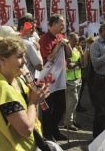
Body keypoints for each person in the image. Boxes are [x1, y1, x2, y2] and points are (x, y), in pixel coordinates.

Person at [0, 37, 50, 151]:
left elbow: (31, 117)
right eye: (19, 57)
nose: (25, 61)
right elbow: (26, 130)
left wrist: (34, 96)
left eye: (24, 56)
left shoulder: (16, 80)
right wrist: (33, 102)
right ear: (2, 60)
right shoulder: (2, 88)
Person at [39, 13, 72, 141]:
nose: (63, 26)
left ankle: (54, 129)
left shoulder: (61, 36)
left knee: (61, 106)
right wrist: (58, 45)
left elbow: (69, 54)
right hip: (48, 79)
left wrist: (67, 43)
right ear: (53, 24)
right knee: (48, 108)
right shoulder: (45, 39)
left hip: (60, 78)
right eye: (61, 24)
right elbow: (50, 58)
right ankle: (47, 134)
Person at [89, 21, 105, 138]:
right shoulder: (96, 44)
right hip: (100, 80)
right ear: (103, 31)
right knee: (101, 111)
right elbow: (95, 63)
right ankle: (97, 137)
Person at [64, 32, 84, 131]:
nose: (77, 42)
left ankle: (72, 119)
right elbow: (69, 65)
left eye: (77, 40)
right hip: (69, 79)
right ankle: (68, 122)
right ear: (69, 39)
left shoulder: (76, 49)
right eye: (75, 40)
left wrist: (82, 54)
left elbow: (83, 63)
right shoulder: (65, 50)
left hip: (78, 78)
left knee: (75, 101)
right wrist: (78, 63)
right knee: (73, 100)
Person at [76, 36, 88, 112]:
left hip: (83, 75)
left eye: (84, 42)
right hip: (77, 74)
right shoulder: (76, 51)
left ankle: (78, 105)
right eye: (82, 42)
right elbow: (83, 64)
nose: (83, 44)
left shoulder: (86, 51)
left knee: (81, 92)